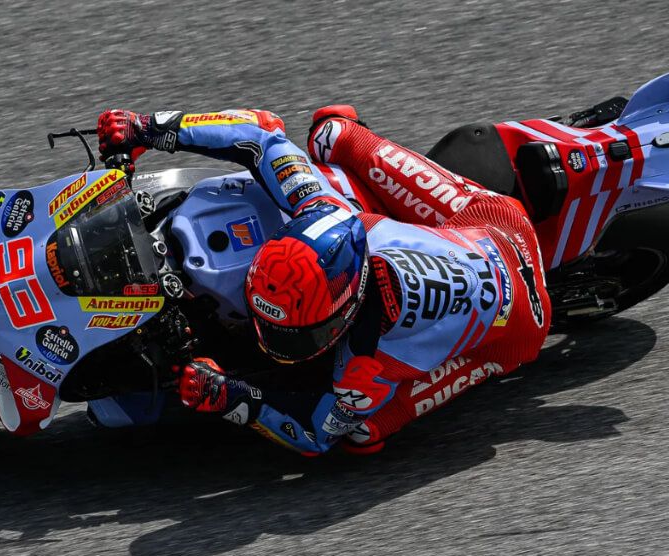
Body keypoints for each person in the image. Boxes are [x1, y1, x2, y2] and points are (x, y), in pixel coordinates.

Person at [97, 106, 551, 455]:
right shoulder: (321, 210)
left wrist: (233, 396)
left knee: (361, 432)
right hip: (482, 224)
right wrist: (150, 128)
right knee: (331, 132)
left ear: (348, 308)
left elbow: (315, 433)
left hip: (516, 326)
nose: (270, 337)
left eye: (297, 332)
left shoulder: (366, 361)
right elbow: (257, 135)